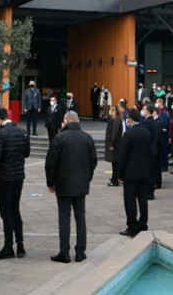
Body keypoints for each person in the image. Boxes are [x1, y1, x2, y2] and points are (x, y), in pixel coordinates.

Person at [45, 112, 97, 263]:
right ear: (78, 121)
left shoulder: (60, 138)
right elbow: (93, 161)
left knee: (64, 218)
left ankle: (64, 252)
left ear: (66, 121)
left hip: (63, 184)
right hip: (81, 184)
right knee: (80, 217)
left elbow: (50, 163)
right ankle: (80, 251)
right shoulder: (87, 138)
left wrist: (51, 182)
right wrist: (87, 178)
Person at [0, 107, 30, 260]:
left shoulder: (0, 134)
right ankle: (20, 246)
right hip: (19, 176)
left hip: (4, 177)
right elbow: (27, 152)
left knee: (6, 212)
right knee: (15, 210)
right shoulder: (23, 132)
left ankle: (8, 247)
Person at [118, 107, 152, 237]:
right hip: (144, 171)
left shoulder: (128, 134)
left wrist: (119, 174)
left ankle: (132, 225)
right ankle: (143, 223)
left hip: (130, 173)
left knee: (130, 200)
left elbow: (123, 156)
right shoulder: (146, 132)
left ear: (130, 119)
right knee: (142, 198)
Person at [105, 104, 124, 186]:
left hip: (115, 145)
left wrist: (111, 144)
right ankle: (114, 179)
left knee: (115, 164)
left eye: (111, 110)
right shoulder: (115, 119)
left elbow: (114, 133)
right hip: (116, 144)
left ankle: (114, 180)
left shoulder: (116, 120)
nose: (110, 111)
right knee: (114, 164)